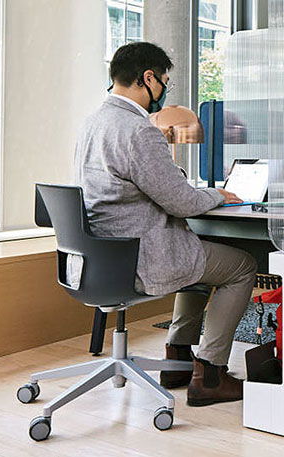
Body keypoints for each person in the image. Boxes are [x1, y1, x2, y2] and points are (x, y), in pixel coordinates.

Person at [73, 42, 257, 406]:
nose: (164, 91)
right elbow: (182, 202)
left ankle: (177, 360)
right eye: (164, 82)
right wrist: (220, 195)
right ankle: (211, 373)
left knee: (200, 263)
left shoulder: (92, 122)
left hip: (104, 257)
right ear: (148, 78)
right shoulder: (139, 130)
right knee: (242, 267)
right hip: (143, 256)